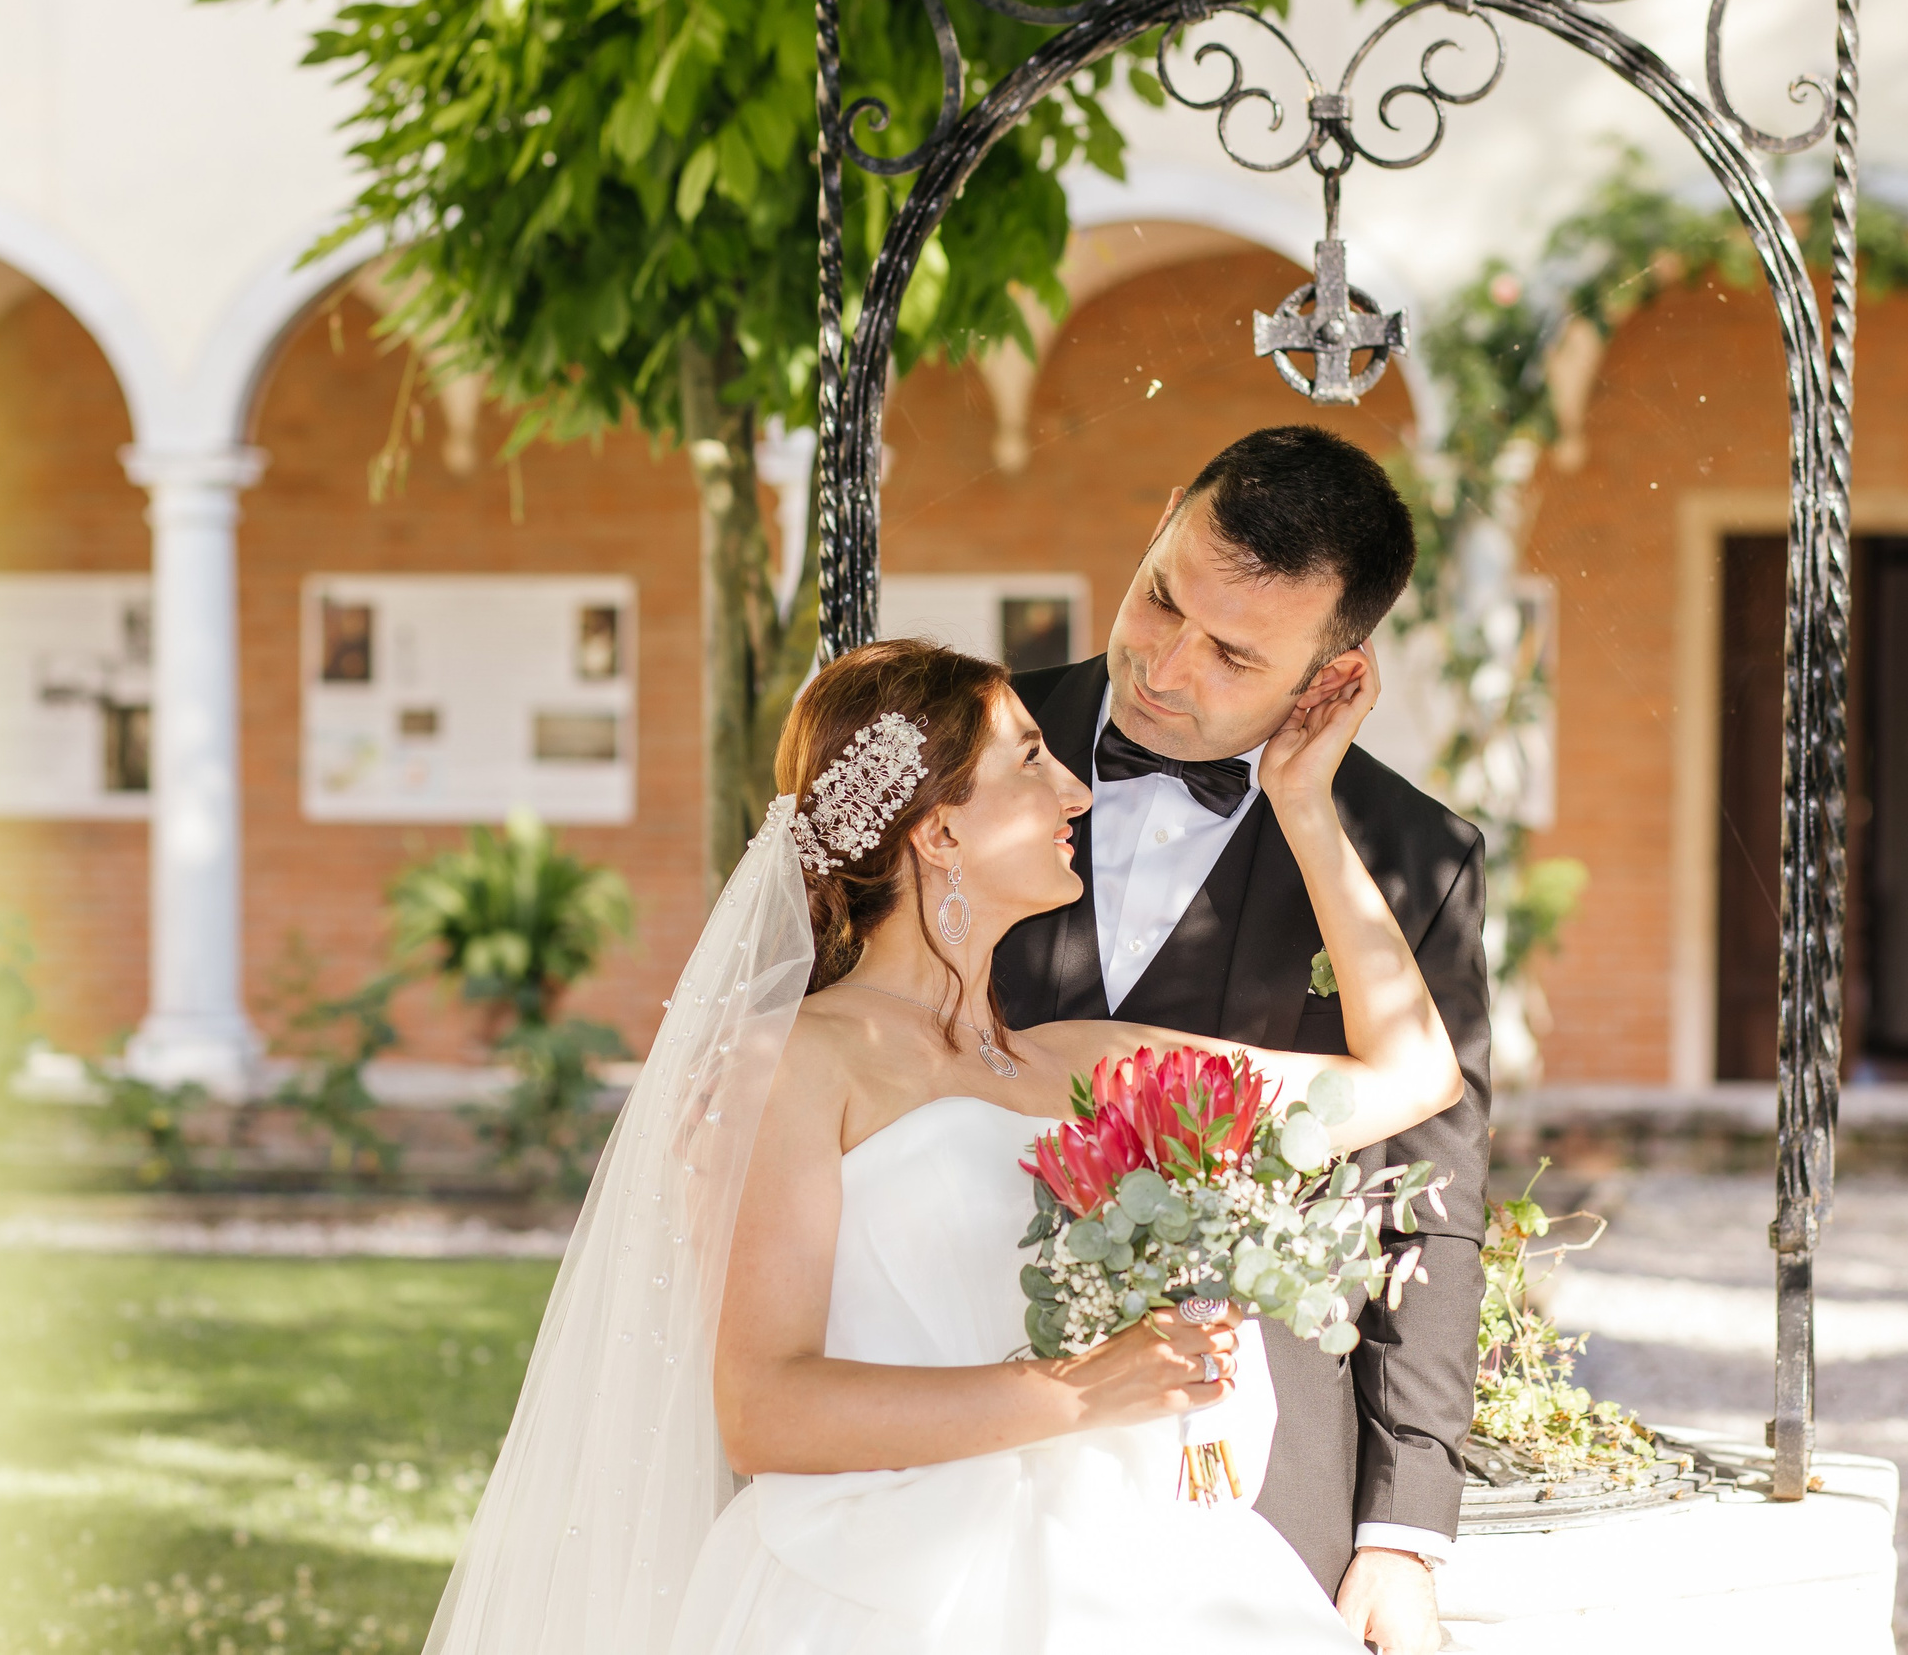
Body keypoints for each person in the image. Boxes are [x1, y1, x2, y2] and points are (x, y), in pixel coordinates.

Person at [416, 635, 1462, 1654]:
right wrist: (1080, 1390)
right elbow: (762, 1411)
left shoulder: (1084, 1061)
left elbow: (1414, 1075)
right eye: (1029, 762)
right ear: (936, 832)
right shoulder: (785, 1064)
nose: (1077, 793)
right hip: (889, 1586)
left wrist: (1303, 803)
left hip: (1134, 1562)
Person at [994, 424, 1490, 1655]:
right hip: (971, 1419)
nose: (1162, 665)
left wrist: (1402, 1532)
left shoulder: (1415, 858)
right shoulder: (960, 757)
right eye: (1163, 597)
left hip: (1260, 1478)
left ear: (1330, 674)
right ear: (1165, 514)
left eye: (1233, 654)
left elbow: (1425, 1191)